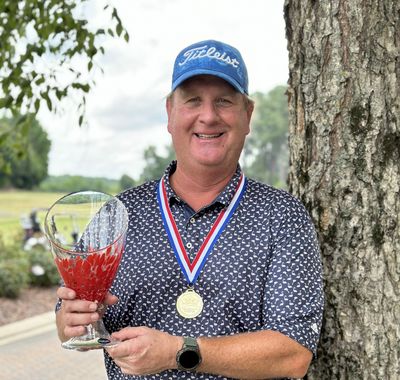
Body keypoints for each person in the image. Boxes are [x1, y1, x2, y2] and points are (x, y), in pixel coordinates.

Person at [55, 39, 324, 379]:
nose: (208, 116)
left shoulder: (282, 217)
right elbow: (69, 322)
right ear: (170, 112)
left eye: (224, 101)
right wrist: (70, 320)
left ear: (247, 115)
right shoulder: (119, 214)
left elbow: (293, 353)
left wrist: (178, 352)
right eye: (193, 100)